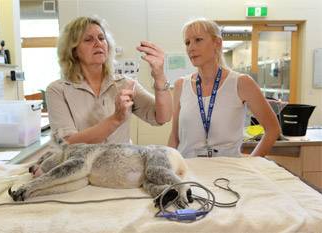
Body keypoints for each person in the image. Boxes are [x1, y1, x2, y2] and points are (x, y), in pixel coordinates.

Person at [46, 16, 172, 144]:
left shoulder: (124, 84)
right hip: (84, 163)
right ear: (73, 51)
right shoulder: (58, 90)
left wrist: (159, 75)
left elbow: (162, 117)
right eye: (88, 40)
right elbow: (68, 143)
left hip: (122, 161)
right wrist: (116, 118)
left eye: (101, 38)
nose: (98, 43)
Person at [168, 18, 281, 157]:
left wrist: (252, 163)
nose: (191, 47)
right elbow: (174, 137)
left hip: (228, 173)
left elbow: (273, 129)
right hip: (188, 171)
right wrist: (168, 165)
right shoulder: (181, 85)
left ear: (217, 43)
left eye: (198, 40)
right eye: (187, 42)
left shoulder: (241, 83)